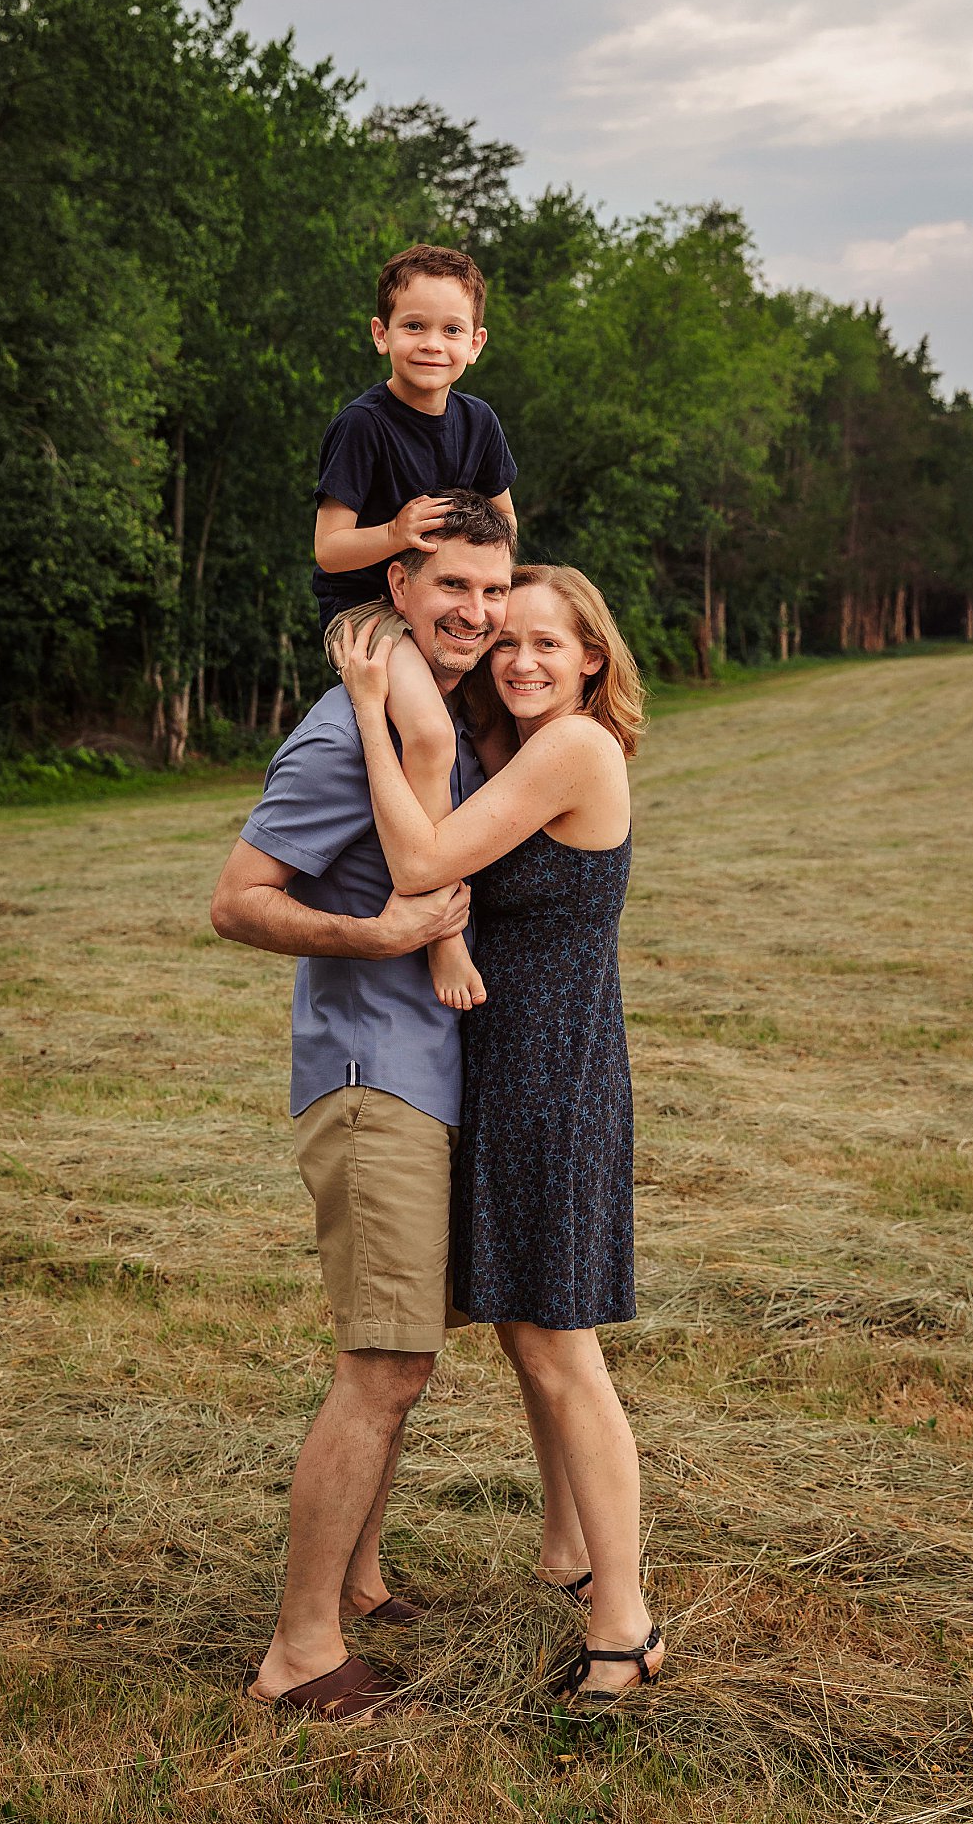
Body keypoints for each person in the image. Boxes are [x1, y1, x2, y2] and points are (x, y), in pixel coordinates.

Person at [210, 494, 515, 1725]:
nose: (477, 614)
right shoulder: (346, 731)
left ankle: (363, 1579)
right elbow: (236, 898)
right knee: (380, 1363)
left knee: (407, 1359)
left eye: (494, 593)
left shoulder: (434, 718)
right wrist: (373, 932)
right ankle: (299, 1648)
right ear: (398, 586)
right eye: (452, 588)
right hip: (367, 1081)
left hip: (428, 1082)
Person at [338, 564, 664, 1707]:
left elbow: (425, 864)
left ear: (591, 657)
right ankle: (570, 1557)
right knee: (534, 1329)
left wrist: (374, 714)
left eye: (548, 642)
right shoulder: (519, 748)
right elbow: (455, 889)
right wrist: (442, 944)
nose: (519, 658)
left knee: (555, 1342)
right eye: (508, 639)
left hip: (551, 1073)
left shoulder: (575, 749)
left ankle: (625, 1616)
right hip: (513, 1061)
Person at [313, 243, 517, 1013]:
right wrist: (396, 532)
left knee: (514, 706)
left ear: (475, 343)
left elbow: (503, 525)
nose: (431, 344)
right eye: (413, 326)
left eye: (449, 329)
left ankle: (511, 875)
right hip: (366, 613)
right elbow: (331, 548)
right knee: (430, 737)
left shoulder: (479, 421)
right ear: (380, 333)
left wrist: (507, 602)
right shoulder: (362, 426)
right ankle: (439, 927)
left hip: (443, 605)